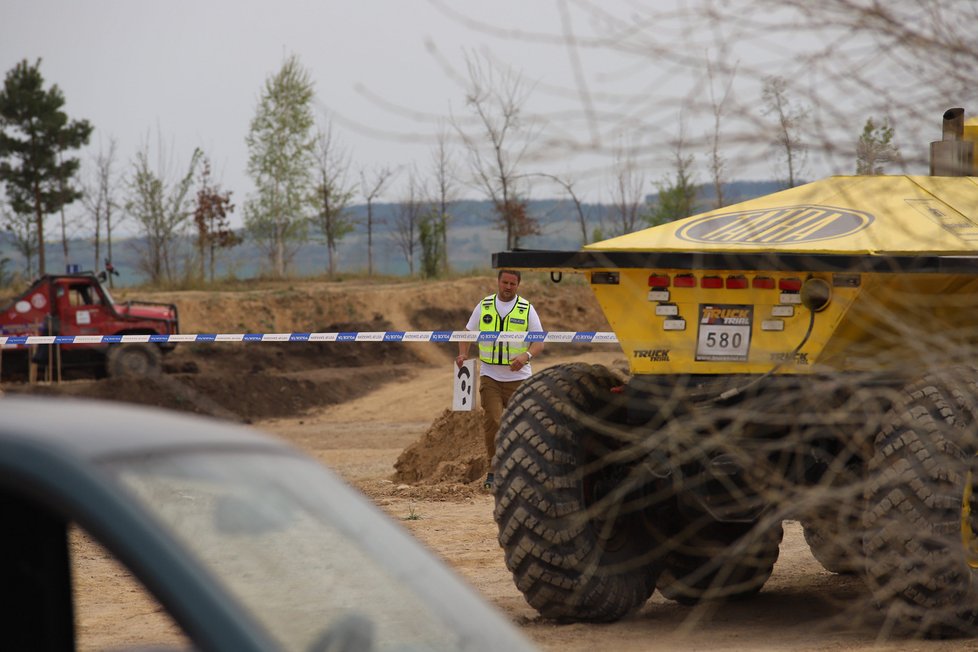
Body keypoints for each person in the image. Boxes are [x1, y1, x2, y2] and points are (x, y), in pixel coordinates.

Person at [456, 269, 544, 491]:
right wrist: (463, 354)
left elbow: (539, 341)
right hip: (490, 376)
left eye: (512, 284)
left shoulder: (526, 309)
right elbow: (466, 332)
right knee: (494, 422)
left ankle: (524, 470)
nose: (507, 287)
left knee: (523, 425)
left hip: (519, 379)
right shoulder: (484, 306)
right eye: (504, 282)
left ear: (518, 285)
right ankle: (494, 471)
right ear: (498, 282)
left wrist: (526, 356)